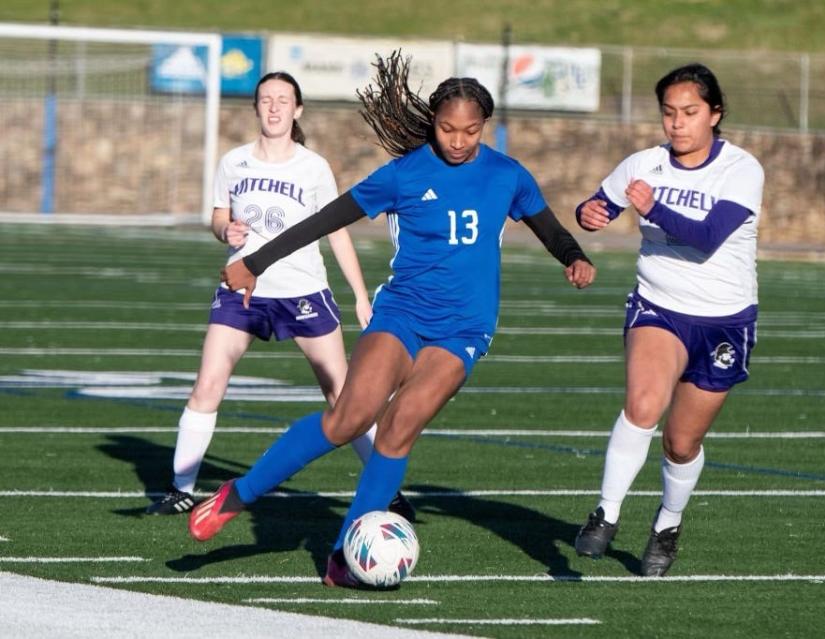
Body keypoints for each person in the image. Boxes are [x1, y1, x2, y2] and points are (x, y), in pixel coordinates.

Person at [187, 52, 596, 587]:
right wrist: (254, 263)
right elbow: (327, 219)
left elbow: (549, 227)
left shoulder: (507, 175)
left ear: (484, 128)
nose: (458, 140)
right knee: (347, 419)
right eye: (448, 128)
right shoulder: (405, 174)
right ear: (433, 123)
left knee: (400, 429)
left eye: (470, 131)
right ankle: (237, 495)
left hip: (464, 329)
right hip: (401, 314)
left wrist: (574, 257)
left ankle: (342, 557)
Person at [146, 71, 413, 522]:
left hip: (302, 291)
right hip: (243, 290)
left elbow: (337, 233)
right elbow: (217, 218)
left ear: (298, 109)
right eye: (266, 99)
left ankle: (389, 492)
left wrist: (360, 295)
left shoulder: (313, 167)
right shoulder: (233, 162)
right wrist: (222, 230)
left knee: (343, 395)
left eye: (283, 100)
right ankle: (181, 488)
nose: (273, 107)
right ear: (255, 108)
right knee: (208, 383)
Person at [572, 63, 764, 576]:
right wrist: (589, 213)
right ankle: (605, 514)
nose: (677, 124)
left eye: (690, 113)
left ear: (715, 114)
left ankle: (667, 523)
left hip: (723, 321)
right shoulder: (645, 163)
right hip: (659, 305)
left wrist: (653, 209)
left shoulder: (742, 169)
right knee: (642, 404)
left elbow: (706, 237)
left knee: (682, 443)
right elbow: (599, 204)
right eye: (669, 113)